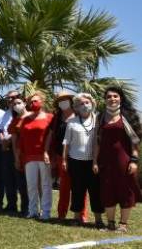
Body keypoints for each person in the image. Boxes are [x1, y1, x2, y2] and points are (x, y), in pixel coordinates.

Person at [93, 86, 142, 232]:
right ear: (105, 99)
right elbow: (97, 142)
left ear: (120, 98)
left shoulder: (127, 116)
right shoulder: (100, 117)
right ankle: (111, 224)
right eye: (109, 96)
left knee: (125, 191)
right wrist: (95, 161)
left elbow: (135, 141)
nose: (112, 99)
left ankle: (123, 224)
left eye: (115, 96)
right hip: (105, 161)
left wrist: (134, 160)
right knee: (107, 191)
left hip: (124, 160)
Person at [61, 93, 104, 227]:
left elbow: (100, 141)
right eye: (81, 103)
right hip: (75, 161)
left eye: (87, 102)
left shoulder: (98, 120)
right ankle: (76, 218)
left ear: (92, 103)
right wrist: (64, 160)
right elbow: (66, 142)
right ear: (76, 107)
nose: (85, 105)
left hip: (93, 162)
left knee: (95, 191)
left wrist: (96, 161)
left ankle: (98, 219)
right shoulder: (71, 122)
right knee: (77, 190)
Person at [49, 90, 87, 221]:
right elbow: (52, 137)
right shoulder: (56, 118)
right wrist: (52, 155)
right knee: (64, 186)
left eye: (65, 99)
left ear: (71, 101)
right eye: (60, 100)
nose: (63, 102)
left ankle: (82, 215)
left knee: (80, 185)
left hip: (79, 156)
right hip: (61, 156)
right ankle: (61, 214)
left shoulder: (80, 115)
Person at [18, 91, 54, 220]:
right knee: (31, 185)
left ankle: (46, 212)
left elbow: (53, 137)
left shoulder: (50, 117)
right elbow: (21, 140)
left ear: (42, 102)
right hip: (29, 157)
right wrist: (20, 157)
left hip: (44, 156)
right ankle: (32, 210)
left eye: (36, 101)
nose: (33, 103)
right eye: (31, 102)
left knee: (45, 185)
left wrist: (50, 154)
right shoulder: (25, 119)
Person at [8, 94, 30, 216]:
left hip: (33, 154)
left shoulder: (33, 117)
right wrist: (16, 158)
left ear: (25, 103)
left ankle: (38, 208)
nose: (16, 105)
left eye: (19, 103)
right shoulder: (15, 121)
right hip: (20, 155)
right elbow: (14, 140)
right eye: (14, 104)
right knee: (22, 183)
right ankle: (25, 208)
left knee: (34, 184)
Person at [0, 90, 19, 213]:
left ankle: (25, 206)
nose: (11, 100)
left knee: (20, 179)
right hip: (6, 149)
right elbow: (1, 129)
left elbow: (20, 131)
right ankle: (11, 204)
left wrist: (9, 140)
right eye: (9, 98)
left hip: (18, 148)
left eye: (14, 98)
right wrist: (3, 140)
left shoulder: (22, 114)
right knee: (8, 178)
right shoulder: (5, 114)